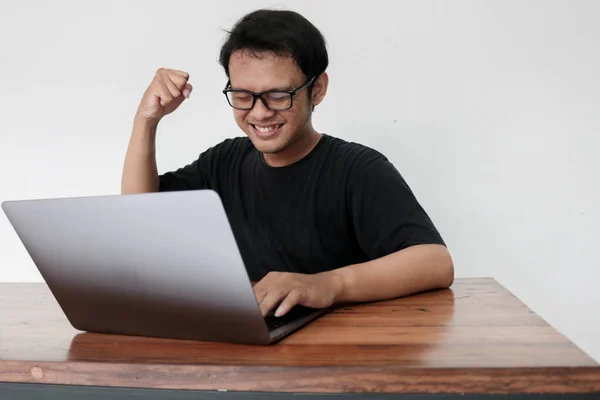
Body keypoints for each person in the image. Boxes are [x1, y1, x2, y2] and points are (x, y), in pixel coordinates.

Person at [121, 9, 454, 318]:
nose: (260, 112)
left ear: (318, 89)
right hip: (253, 350)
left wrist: (325, 284)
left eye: (279, 95)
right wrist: (146, 120)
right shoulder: (225, 161)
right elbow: (139, 217)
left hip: (337, 356)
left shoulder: (357, 169)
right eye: (242, 96)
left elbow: (435, 262)